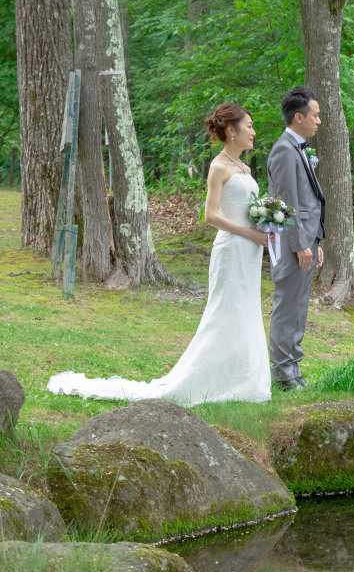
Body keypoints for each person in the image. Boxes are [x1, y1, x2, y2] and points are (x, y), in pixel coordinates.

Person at [47, 103, 273, 404]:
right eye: (249, 126)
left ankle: (245, 381)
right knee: (226, 313)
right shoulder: (219, 166)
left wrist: (266, 225)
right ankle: (205, 381)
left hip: (250, 251)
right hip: (232, 250)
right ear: (232, 130)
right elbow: (210, 216)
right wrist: (249, 233)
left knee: (246, 311)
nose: (254, 132)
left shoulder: (245, 168)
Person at [266, 86, 325, 390]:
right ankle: (282, 373)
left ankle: (293, 367)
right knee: (287, 305)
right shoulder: (284, 150)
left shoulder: (299, 148)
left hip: (306, 240)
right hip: (292, 243)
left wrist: (316, 241)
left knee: (299, 306)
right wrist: (300, 244)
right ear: (299, 117)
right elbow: (285, 203)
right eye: (315, 115)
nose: (319, 121)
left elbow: (309, 201)